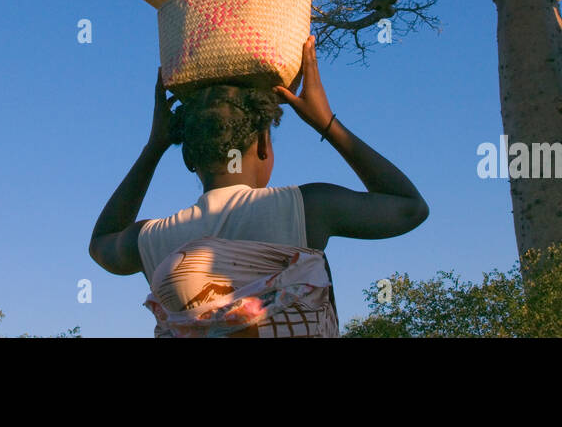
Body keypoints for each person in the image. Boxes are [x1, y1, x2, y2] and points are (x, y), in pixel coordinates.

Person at [89, 35, 428, 337]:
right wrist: (326, 122)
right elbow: (409, 207)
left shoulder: (153, 239)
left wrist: (154, 147)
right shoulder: (307, 208)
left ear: (188, 159)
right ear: (264, 144)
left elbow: (101, 242)